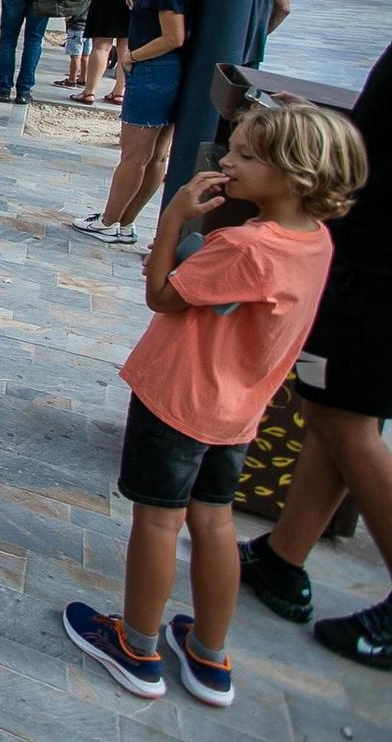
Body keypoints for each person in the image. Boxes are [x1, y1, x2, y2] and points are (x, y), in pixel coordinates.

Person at [63, 103, 367, 707]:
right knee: (214, 520)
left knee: (157, 519)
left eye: (247, 155)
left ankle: (138, 645)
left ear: (297, 175)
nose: (227, 161)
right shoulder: (315, 244)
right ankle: (207, 653)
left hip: (179, 399)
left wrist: (174, 216)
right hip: (237, 412)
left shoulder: (246, 248)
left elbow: (162, 296)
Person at [238, 0, 392, 667]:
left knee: (350, 421)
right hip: (359, 264)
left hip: (373, 274)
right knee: (335, 412)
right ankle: (286, 554)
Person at [74, 0, 204, 244]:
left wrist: (131, 56)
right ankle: (124, 221)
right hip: (173, 73)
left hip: (153, 71)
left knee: (134, 155)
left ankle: (108, 220)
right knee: (155, 155)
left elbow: (173, 36)